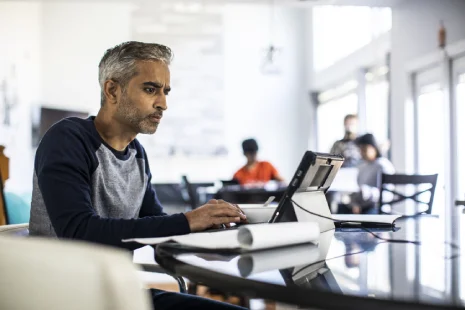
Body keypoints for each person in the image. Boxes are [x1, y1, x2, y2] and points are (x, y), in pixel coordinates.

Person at [29, 41, 246, 310]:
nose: (163, 103)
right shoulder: (67, 139)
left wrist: (213, 232)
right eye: (150, 89)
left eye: (166, 92)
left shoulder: (136, 154)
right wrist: (187, 221)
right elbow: (79, 231)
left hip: (114, 294)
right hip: (63, 297)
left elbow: (157, 225)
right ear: (112, 90)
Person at [339, 133, 395, 214]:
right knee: (340, 210)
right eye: (360, 149)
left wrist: (367, 192)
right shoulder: (361, 166)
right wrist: (354, 204)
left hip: (377, 207)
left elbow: (388, 195)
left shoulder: (383, 165)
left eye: (364, 149)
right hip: (362, 206)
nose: (362, 153)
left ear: (374, 147)